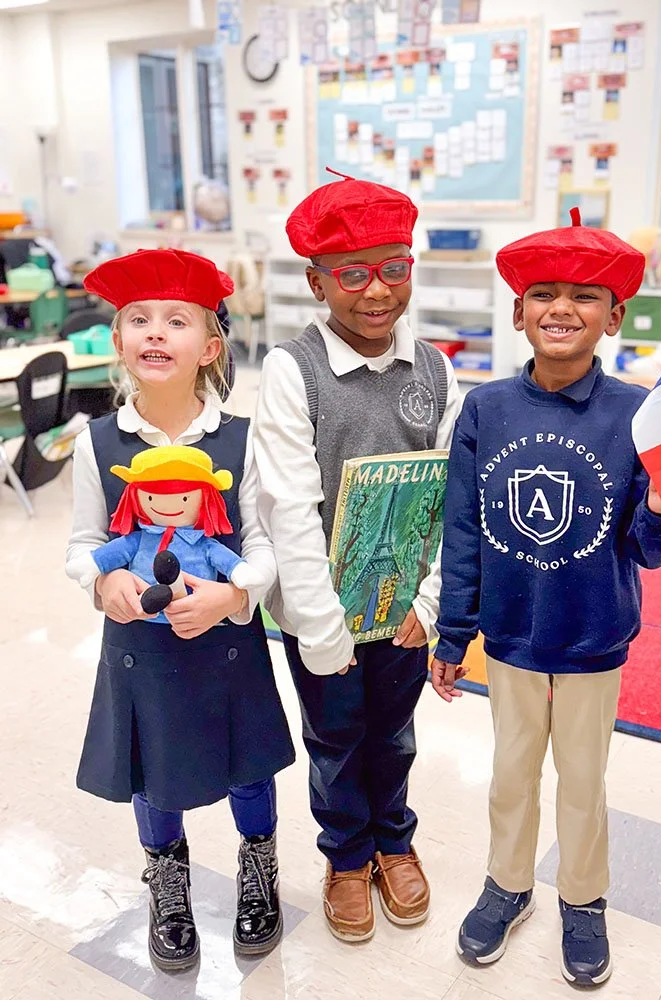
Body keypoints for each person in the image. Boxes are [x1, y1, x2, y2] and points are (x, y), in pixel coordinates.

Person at [431, 212, 661, 988]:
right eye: (542, 293)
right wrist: (454, 635)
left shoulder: (636, 412)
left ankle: (583, 899)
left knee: (583, 782)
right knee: (510, 775)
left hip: (591, 638)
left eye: (586, 295)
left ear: (614, 316)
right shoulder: (484, 411)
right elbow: (466, 530)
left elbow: (652, 547)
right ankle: (507, 885)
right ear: (517, 312)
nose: (561, 308)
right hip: (511, 638)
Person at [65, 248, 295, 971]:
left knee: (247, 765)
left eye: (176, 320)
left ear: (211, 346)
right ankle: (167, 878)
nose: (155, 333)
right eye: (138, 320)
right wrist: (101, 585)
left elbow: (261, 545)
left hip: (228, 642)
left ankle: (261, 865)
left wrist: (235, 594)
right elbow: (84, 543)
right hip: (141, 647)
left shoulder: (242, 437)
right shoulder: (97, 443)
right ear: (119, 342)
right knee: (151, 769)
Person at [253, 171, 462, 942]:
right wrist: (321, 626)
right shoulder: (291, 371)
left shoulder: (437, 371)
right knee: (335, 737)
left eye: (394, 269)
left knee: (395, 731)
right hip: (325, 615)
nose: (377, 292)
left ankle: (394, 841)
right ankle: (346, 854)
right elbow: (288, 509)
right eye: (352, 274)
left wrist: (431, 604)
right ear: (317, 281)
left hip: (403, 612)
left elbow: (452, 503)